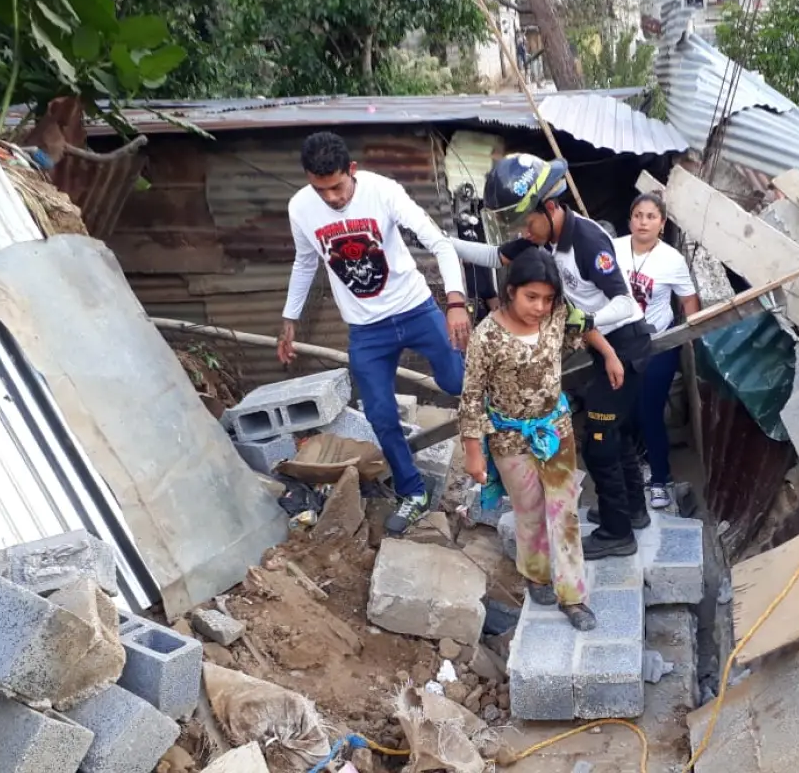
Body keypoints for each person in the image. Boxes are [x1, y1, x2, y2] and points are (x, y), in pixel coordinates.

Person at [453, 153, 652, 560]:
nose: (524, 232)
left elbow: (625, 302)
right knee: (619, 436)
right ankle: (632, 513)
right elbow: (494, 256)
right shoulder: (540, 238)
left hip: (625, 344)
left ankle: (618, 533)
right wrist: (440, 243)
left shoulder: (587, 240)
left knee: (599, 441)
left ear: (550, 207)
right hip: (604, 345)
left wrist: (584, 321)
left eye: (528, 221)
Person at [278, 131, 472, 536]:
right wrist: (289, 319)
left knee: (457, 381)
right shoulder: (300, 208)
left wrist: (455, 303)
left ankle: (498, 436)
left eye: (337, 186)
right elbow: (304, 262)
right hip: (366, 330)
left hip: (416, 309)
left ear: (352, 170)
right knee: (380, 414)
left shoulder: (383, 192)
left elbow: (440, 243)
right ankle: (413, 492)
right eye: (320, 189)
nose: (330, 198)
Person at [460, 248, 607, 630]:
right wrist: (473, 452)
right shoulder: (486, 336)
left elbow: (584, 325)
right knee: (529, 512)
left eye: (547, 298)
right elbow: (472, 395)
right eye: (532, 297)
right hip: (510, 440)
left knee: (565, 512)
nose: (540, 307)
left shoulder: (559, 315)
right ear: (510, 291)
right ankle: (536, 574)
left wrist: (609, 355)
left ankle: (573, 597)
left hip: (555, 429)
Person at [614, 192, 701, 510]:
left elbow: (689, 300)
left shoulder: (672, 260)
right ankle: (635, 467)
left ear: (662, 224)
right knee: (623, 411)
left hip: (658, 345)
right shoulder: (615, 248)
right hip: (619, 343)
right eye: (638, 215)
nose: (643, 222)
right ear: (630, 220)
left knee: (650, 413)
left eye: (651, 216)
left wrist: (689, 334)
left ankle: (661, 480)